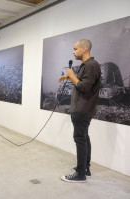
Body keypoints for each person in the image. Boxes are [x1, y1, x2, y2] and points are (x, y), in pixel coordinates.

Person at [59, 39, 101, 183]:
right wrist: (69, 77)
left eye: (75, 49)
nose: (73, 51)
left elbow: (84, 87)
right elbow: (82, 83)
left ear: (84, 49)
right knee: (84, 137)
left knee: (80, 139)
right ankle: (85, 169)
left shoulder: (91, 65)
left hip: (82, 109)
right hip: (82, 108)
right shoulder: (87, 65)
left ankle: (81, 174)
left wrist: (72, 77)